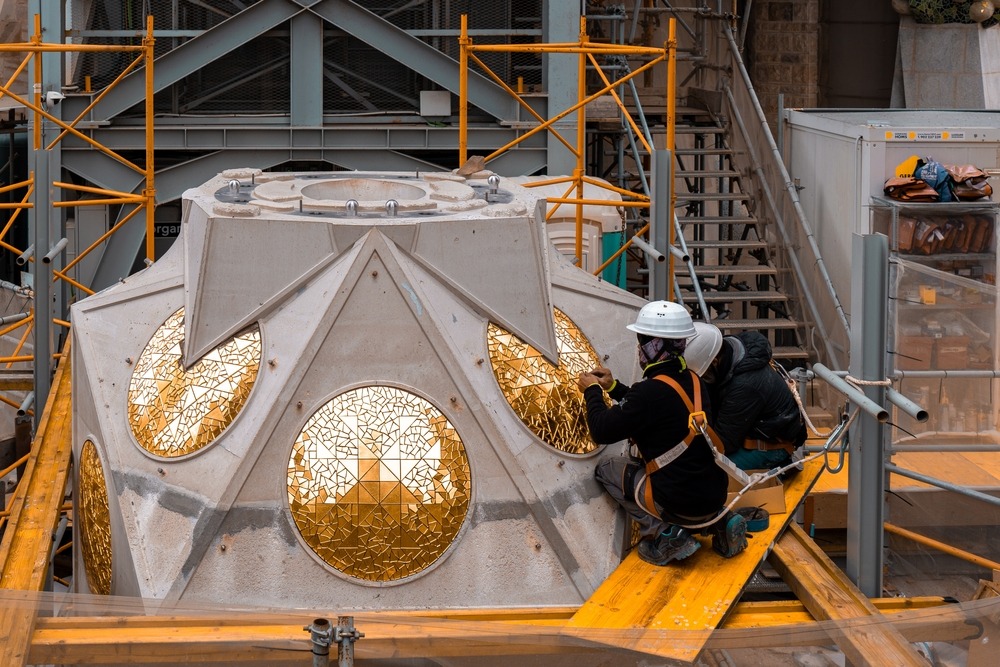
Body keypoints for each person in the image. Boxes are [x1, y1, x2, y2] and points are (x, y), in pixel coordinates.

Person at [577, 301, 747, 566]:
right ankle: (720, 522)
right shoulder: (694, 381)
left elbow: (601, 430)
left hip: (678, 504)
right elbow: (652, 407)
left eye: (641, 341)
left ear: (653, 346)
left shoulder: (648, 393)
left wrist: (593, 392)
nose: (638, 348)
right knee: (687, 470)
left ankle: (665, 534)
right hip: (714, 497)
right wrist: (613, 387)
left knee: (607, 468)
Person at [683, 322, 807, 472]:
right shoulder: (730, 354)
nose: (703, 380)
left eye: (705, 375)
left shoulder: (745, 385)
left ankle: (777, 466)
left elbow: (724, 443)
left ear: (715, 362)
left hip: (771, 448)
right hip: (750, 433)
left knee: (705, 471)